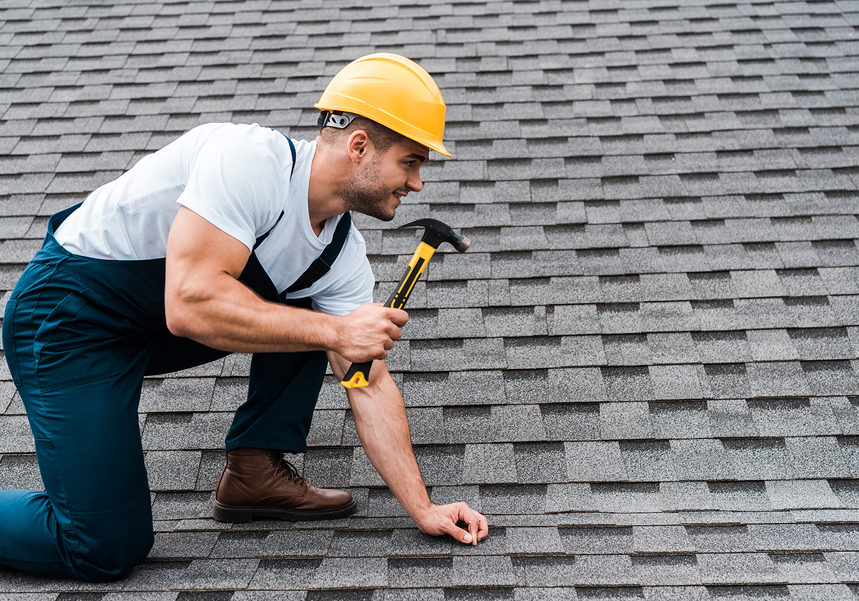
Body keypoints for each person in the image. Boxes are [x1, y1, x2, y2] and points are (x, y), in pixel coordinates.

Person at [0, 53, 488, 583]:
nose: (417, 184)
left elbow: (366, 381)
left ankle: (255, 471)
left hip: (153, 326)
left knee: (315, 308)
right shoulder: (246, 161)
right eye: (411, 163)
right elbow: (189, 303)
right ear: (360, 146)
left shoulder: (341, 254)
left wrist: (423, 507)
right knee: (103, 546)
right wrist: (337, 331)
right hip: (68, 322)